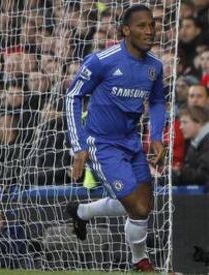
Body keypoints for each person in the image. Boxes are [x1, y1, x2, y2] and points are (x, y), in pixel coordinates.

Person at [64, 5, 165, 272]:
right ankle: (140, 262)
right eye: (142, 26)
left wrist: (156, 136)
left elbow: (156, 102)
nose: (149, 31)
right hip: (102, 144)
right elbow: (73, 95)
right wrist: (79, 145)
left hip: (131, 142)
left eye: (152, 25)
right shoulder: (102, 61)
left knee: (142, 206)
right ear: (125, 30)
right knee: (138, 207)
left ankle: (81, 212)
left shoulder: (155, 66)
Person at [173, 105, 209, 186]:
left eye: (185, 122)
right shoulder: (194, 143)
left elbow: (204, 176)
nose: (181, 127)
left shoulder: (206, 142)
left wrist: (180, 173)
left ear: (199, 122)